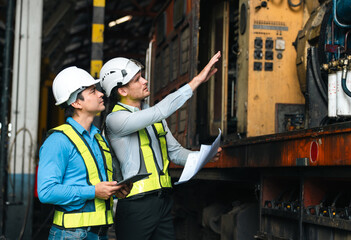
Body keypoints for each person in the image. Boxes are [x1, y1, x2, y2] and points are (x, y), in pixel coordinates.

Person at [99, 51, 222, 240]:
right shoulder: (115, 120)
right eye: (138, 79)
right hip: (135, 205)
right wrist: (196, 81)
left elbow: (175, 153)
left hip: (163, 202)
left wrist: (203, 156)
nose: (145, 81)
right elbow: (161, 110)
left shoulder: (153, 115)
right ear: (122, 91)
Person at [37, 66, 132, 240]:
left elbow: (95, 183)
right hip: (71, 235)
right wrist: (93, 192)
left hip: (99, 234)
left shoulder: (97, 138)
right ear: (76, 103)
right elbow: (46, 191)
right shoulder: (58, 141)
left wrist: (114, 189)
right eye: (92, 91)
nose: (100, 94)